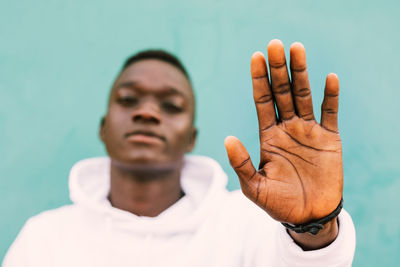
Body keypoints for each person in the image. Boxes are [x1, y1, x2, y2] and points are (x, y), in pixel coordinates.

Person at [3, 39, 356, 266]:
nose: (147, 112)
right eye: (128, 100)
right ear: (103, 128)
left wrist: (314, 226)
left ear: (191, 138)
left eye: (170, 105)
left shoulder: (247, 223)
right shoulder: (46, 238)